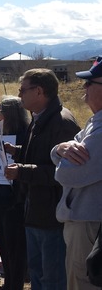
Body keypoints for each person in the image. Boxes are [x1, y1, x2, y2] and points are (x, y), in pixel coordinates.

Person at [4, 68, 80, 290]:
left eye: (23, 90)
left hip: (51, 216)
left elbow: (63, 173)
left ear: (39, 91)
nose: (19, 95)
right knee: (37, 273)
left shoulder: (62, 122)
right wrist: (15, 150)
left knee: (52, 279)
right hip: (35, 210)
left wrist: (22, 171)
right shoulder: (39, 118)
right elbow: (39, 154)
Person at [51, 57, 102, 290]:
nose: (85, 87)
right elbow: (64, 149)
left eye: (90, 83)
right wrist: (60, 148)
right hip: (83, 218)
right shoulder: (95, 122)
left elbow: (69, 175)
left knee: (82, 283)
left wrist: (60, 156)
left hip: (89, 222)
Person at [0, 96, 30, 290]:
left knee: (15, 245)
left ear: (9, 113)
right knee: (2, 240)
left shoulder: (24, 135)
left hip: (14, 197)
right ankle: (8, 282)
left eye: (0, 110)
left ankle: (15, 284)